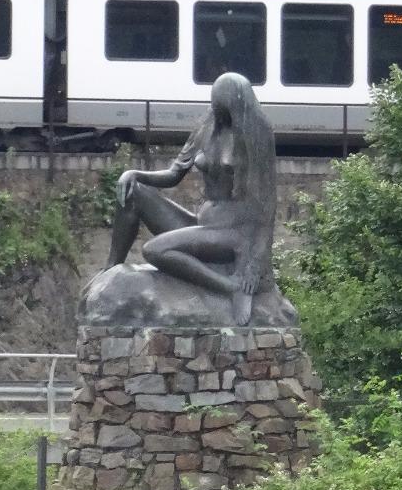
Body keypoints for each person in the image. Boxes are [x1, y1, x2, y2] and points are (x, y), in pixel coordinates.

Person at [106, 72, 277, 326]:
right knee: (132, 193)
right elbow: (174, 174)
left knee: (154, 250)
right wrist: (133, 174)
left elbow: (267, 208)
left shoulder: (257, 136)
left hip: (234, 233)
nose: (217, 109)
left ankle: (230, 287)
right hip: (203, 224)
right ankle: (111, 269)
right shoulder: (207, 127)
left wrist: (254, 263)